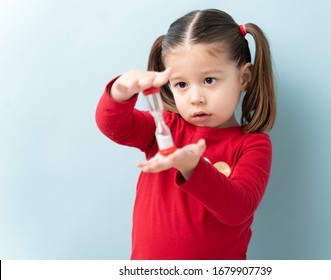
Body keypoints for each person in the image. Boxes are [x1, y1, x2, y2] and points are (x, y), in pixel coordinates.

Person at [95, 8, 276, 260]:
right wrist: (120, 91)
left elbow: (238, 209)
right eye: (181, 84)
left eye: (209, 80)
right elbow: (114, 125)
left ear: (244, 77)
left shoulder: (253, 145)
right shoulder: (163, 128)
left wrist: (193, 167)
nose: (196, 98)